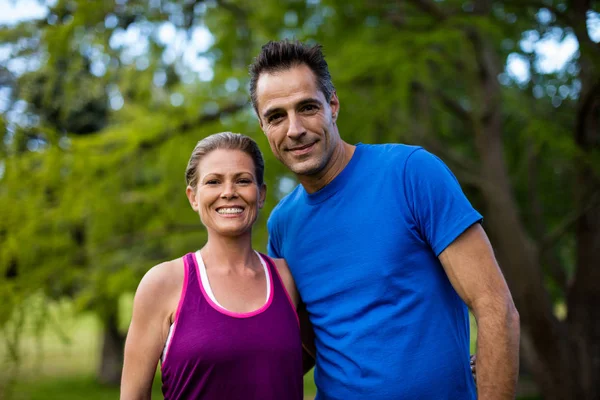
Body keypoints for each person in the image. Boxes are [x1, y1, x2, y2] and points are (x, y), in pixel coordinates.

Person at [249, 40, 520, 399]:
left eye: (307, 107)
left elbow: (495, 307)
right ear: (264, 126)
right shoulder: (282, 225)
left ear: (333, 105)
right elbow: (307, 343)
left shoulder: (410, 173)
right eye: (276, 116)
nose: (294, 129)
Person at [120, 132, 304, 399]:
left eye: (242, 180)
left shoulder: (287, 278)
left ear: (261, 195)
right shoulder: (163, 283)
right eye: (214, 182)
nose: (229, 193)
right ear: (193, 197)